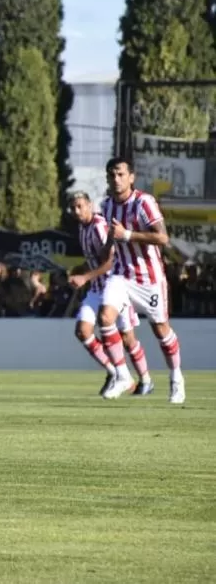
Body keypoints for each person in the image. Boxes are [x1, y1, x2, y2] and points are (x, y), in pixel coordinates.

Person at [98, 158, 183, 403]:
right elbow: (112, 240)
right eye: (112, 175)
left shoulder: (143, 202)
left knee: (161, 330)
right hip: (121, 275)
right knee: (105, 317)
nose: (116, 179)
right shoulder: (106, 206)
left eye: (121, 174)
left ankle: (176, 377)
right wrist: (105, 249)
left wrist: (128, 235)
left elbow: (163, 238)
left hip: (149, 278)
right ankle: (123, 375)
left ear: (131, 177)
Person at [66, 191, 151, 397]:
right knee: (82, 330)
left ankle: (146, 380)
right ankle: (117, 373)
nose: (77, 211)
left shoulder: (99, 226)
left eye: (80, 206)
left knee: (128, 338)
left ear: (89, 205)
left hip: (115, 287)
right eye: (73, 208)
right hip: (97, 289)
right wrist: (80, 270)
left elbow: (112, 260)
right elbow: (94, 258)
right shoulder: (82, 228)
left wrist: (85, 277)